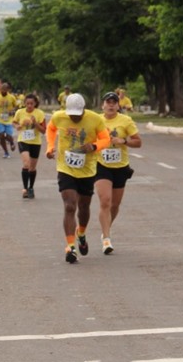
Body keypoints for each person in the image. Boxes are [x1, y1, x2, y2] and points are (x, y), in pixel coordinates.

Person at [45, 93, 109, 263]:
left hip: (87, 169)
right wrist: (50, 147)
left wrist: (94, 146)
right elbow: (50, 129)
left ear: (83, 110)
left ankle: (81, 233)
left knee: (84, 206)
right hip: (65, 168)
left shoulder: (95, 119)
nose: (74, 118)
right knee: (70, 206)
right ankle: (70, 247)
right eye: (71, 115)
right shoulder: (59, 117)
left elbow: (106, 139)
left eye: (77, 115)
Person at [95, 91, 142, 254]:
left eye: (114, 102)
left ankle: (106, 229)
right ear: (102, 105)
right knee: (105, 201)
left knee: (114, 205)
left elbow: (138, 142)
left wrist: (123, 141)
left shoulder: (125, 121)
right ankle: (106, 240)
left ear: (118, 105)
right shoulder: (96, 120)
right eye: (108, 102)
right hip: (101, 165)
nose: (111, 105)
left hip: (121, 167)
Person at [12, 93, 46, 199]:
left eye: (32, 103)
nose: (29, 105)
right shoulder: (20, 112)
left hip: (35, 142)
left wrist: (35, 123)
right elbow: (14, 122)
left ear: (35, 103)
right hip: (23, 140)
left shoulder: (40, 113)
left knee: (32, 167)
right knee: (26, 164)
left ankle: (31, 187)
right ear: (24, 103)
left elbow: (43, 130)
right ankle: (25, 188)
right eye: (27, 103)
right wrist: (17, 126)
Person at [0, 80, 18, 158]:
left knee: (8, 136)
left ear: (7, 90)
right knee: (1, 135)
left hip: (9, 120)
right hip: (0, 119)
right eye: (2, 90)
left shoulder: (11, 97)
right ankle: (6, 152)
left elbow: (16, 106)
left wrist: (13, 111)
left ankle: (11, 142)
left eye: (4, 90)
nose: (3, 91)